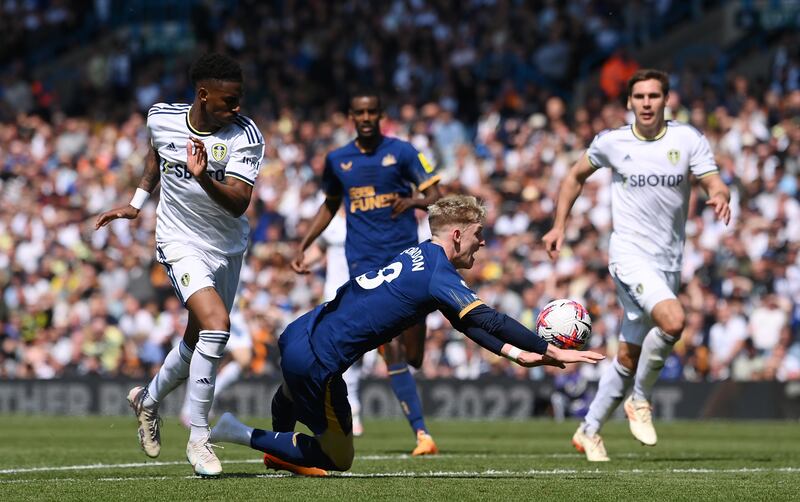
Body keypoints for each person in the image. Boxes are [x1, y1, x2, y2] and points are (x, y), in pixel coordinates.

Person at [211, 195, 604, 476]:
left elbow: (463, 321)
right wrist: (549, 348)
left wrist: (518, 356)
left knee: (294, 392)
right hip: (320, 360)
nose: (482, 243)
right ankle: (240, 432)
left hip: (300, 332)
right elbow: (490, 318)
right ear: (455, 236)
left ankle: (283, 447)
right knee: (339, 458)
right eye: (477, 234)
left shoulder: (419, 254)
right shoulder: (437, 273)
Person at [542, 69, 731, 462]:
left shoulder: (687, 139)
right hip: (628, 254)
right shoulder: (613, 142)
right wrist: (559, 224)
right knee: (674, 321)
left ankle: (588, 430)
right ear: (629, 102)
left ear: (666, 100)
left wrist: (719, 194)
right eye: (639, 97)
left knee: (628, 357)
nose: (646, 103)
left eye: (654, 96)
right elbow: (574, 176)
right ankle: (640, 402)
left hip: (668, 262)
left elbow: (713, 180)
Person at [94, 53, 264, 477]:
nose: (237, 107)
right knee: (217, 324)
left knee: (197, 341)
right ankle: (200, 437)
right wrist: (136, 204)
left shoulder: (246, 135)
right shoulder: (161, 117)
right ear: (203, 95)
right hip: (179, 240)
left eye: (239, 98)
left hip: (226, 247)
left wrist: (205, 176)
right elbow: (157, 156)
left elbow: (240, 203)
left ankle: (147, 400)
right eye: (229, 100)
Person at [291, 90, 442, 454]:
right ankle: (423, 435)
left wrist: (415, 201)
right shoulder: (338, 160)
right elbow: (329, 206)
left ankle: (413, 352)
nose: (366, 118)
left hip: (406, 257)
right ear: (350, 116)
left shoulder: (404, 152)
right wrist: (306, 243)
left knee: (414, 356)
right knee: (389, 346)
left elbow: (438, 195)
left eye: (372, 112)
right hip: (364, 264)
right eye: (360, 112)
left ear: (380, 115)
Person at [179, 295, 254, 427]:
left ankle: (207, 400)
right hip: (215, 314)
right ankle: (188, 411)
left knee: (244, 362)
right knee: (200, 359)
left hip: (235, 318)